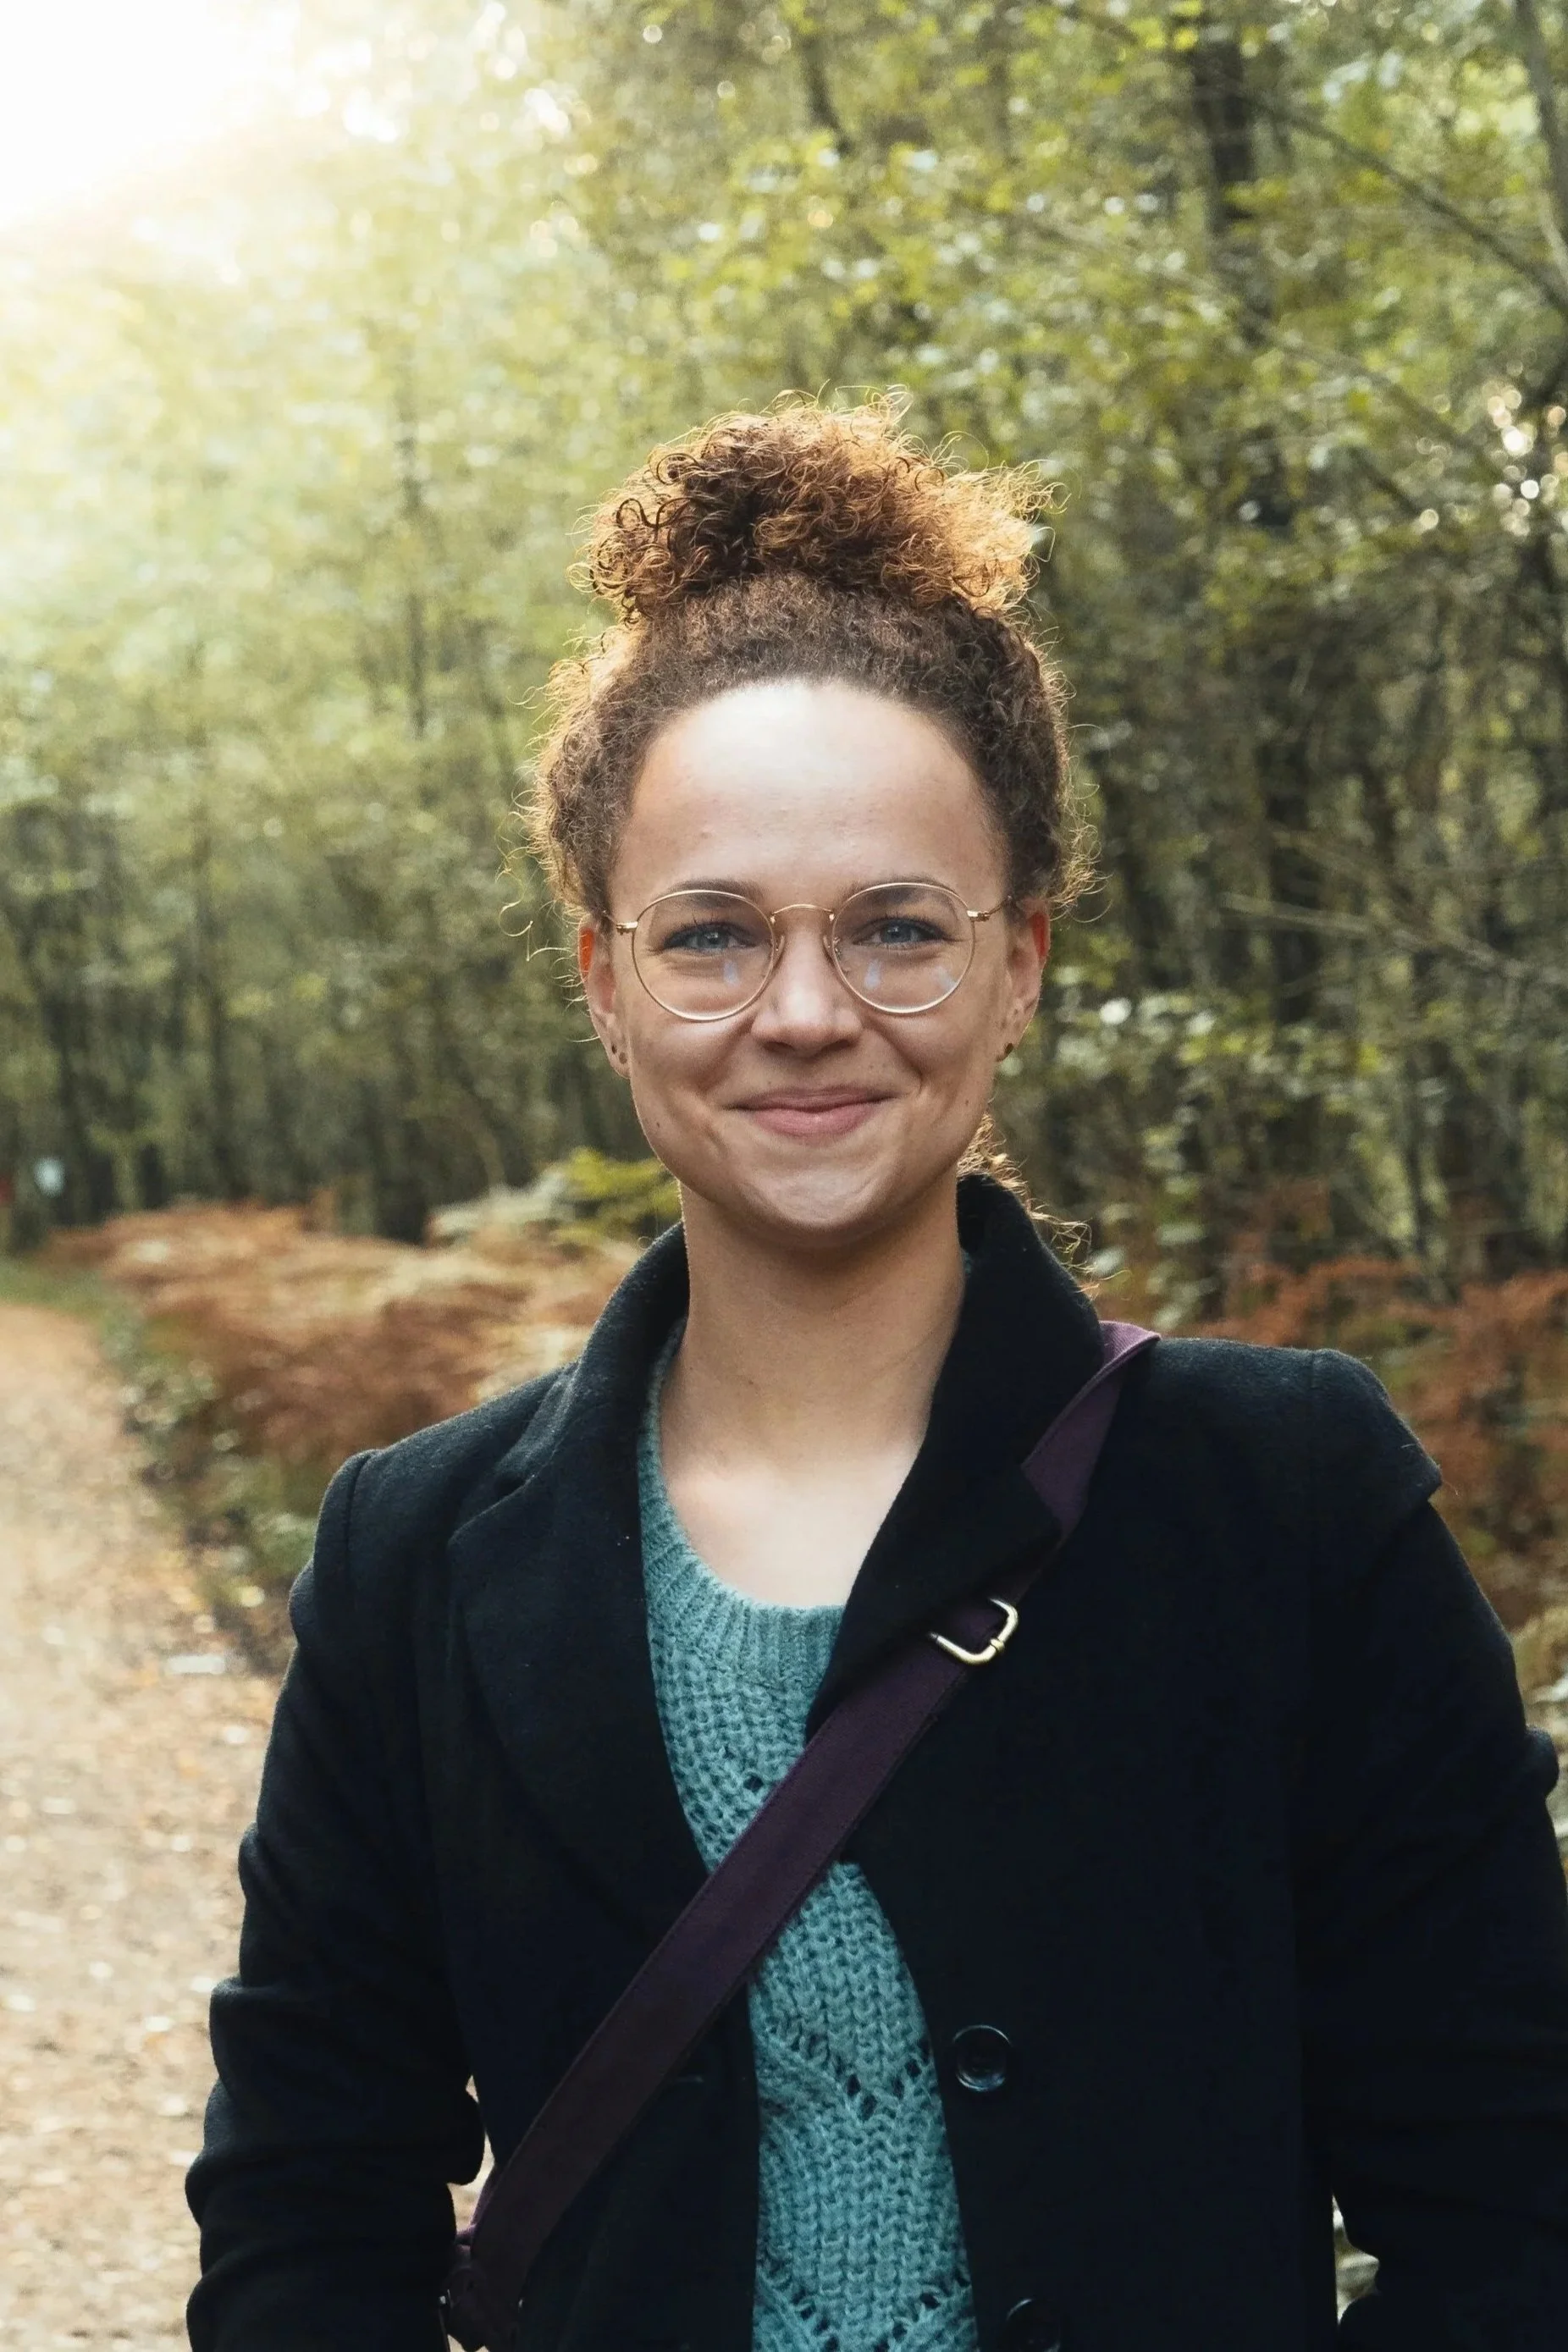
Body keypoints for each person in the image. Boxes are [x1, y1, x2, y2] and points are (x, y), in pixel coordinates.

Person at [186, 399, 1568, 2352]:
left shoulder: (1284, 1501)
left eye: (896, 930)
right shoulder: (414, 1556)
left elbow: (1508, 2193)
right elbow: (304, 2212)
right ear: (602, 979)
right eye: (713, 937)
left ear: (1017, 961)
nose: (807, 1014)